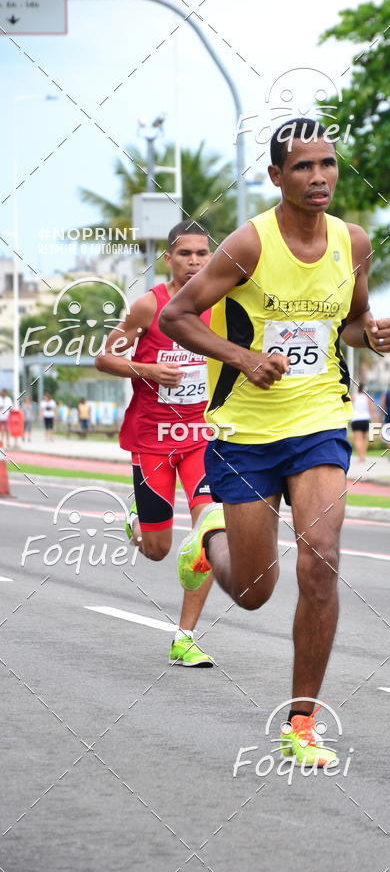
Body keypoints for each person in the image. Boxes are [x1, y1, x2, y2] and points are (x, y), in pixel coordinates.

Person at [160, 119, 390, 765]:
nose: (318, 176)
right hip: (246, 434)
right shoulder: (248, 245)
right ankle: (209, 538)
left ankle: (301, 725)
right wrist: (241, 357)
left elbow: (348, 325)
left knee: (320, 558)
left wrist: (369, 337)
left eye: (327, 164)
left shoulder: (353, 242)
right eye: (302, 167)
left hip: (320, 419)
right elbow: (175, 316)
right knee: (256, 590)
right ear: (275, 176)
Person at [95, 220, 217, 668]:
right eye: (185, 253)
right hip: (152, 438)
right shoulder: (150, 306)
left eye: (202, 254)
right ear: (169, 258)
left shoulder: (222, 306)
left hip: (202, 438)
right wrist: (147, 371)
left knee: (208, 532)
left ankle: (185, 637)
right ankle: (138, 523)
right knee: (158, 549)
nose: (194, 262)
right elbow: (104, 357)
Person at [350, 382, 374, 462]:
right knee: (365, 438)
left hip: (356, 419)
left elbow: (349, 407)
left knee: (358, 439)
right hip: (365, 419)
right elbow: (371, 410)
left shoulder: (354, 397)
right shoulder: (368, 397)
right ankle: (363, 455)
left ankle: (360, 457)